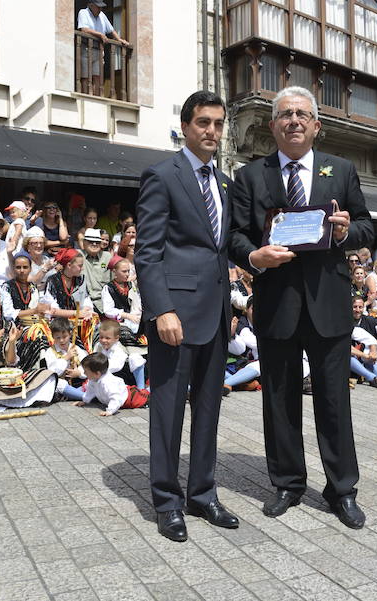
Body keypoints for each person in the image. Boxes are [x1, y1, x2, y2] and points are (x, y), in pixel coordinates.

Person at [229, 85, 373, 529]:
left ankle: (341, 489)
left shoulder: (342, 171)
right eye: (285, 114)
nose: (294, 120)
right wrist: (255, 258)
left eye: (302, 114)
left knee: (333, 402)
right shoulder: (250, 176)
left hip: (328, 304)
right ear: (273, 126)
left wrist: (348, 231)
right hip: (276, 304)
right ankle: (288, 483)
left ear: (316, 126)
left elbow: (368, 228)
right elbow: (234, 236)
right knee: (279, 400)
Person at [135, 90, 238, 542]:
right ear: (186, 126)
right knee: (169, 412)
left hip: (215, 315)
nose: (212, 131)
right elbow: (148, 252)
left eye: (218, 123)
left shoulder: (224, 183)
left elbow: (222, 248)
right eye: (204, 123)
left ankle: (202, 493)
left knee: (209, 410)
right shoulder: (163, 175)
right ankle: (167, 501)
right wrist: (163, 310)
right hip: (174, 316)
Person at [76, 0, 130, 96]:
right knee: (85, 76)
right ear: (91, 5)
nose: (100, 9)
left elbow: (111, 30)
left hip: (99, 51)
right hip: (86, 49)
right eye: (98, 6)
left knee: (97, 76)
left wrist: (119, 39)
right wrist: (100, 34)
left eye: (101, 7)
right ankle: (86, 96)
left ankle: (96, 97)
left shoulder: (102, 16)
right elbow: (83, 29)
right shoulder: (83, 13)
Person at [95, 319, 146, 389]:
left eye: (107, 338)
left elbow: (116, 366)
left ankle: (141, 388)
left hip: (124, 376)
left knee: (135, 357)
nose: (103, 340)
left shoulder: (118, 349)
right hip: (107, 375)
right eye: (101, 337)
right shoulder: (99, 346)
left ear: (116, 338)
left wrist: (98, 369)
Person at [80, 228, 113, 314]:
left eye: (97, 242)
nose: (94, 244)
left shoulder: (107, 257)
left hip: (104, 303)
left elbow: (114, 282)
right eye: (91, 241)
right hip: (82, 303)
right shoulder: (77, 255)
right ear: (84, 242)